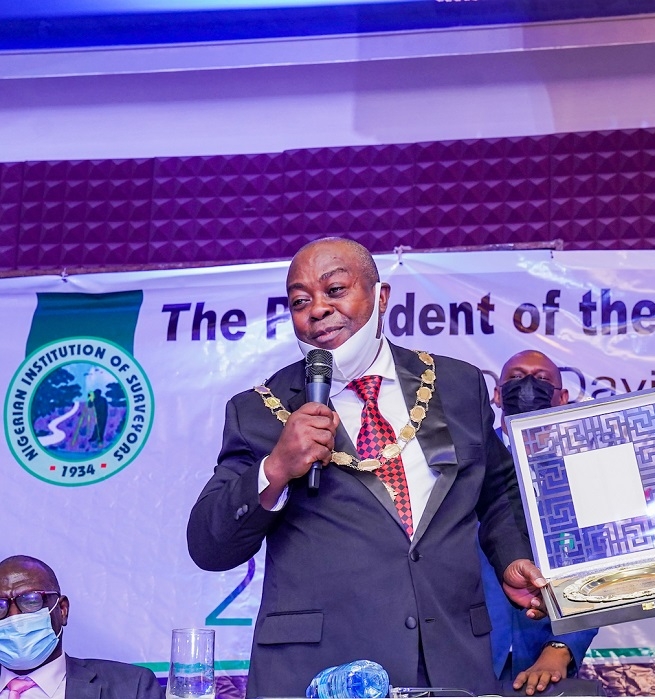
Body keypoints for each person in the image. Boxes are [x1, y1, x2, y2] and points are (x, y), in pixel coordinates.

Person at [186, 237, 548, 698]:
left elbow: (498, 493)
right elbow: (207, 546)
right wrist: (275, 468)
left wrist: (512, 557)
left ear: (380, 298)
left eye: (335, 290)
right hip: (319, 677)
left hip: (453, 666)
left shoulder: (456, 385)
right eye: (300, 301)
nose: (317, 309)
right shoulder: (258, 411)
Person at [480, 350, 598, 695]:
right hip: (464, 654)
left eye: (543, 379)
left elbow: (596, 570)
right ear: (497, 394)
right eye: (516, 377)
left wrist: (562, 648)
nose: (529, 386)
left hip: (545, 663)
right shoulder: (466, 467)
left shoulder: (584, 474)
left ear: (562, 398)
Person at [0, 556, 162, 699]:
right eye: (0, 606)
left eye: (32, 601)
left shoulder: (132, 687)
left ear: (62, 610)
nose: (14, 617)